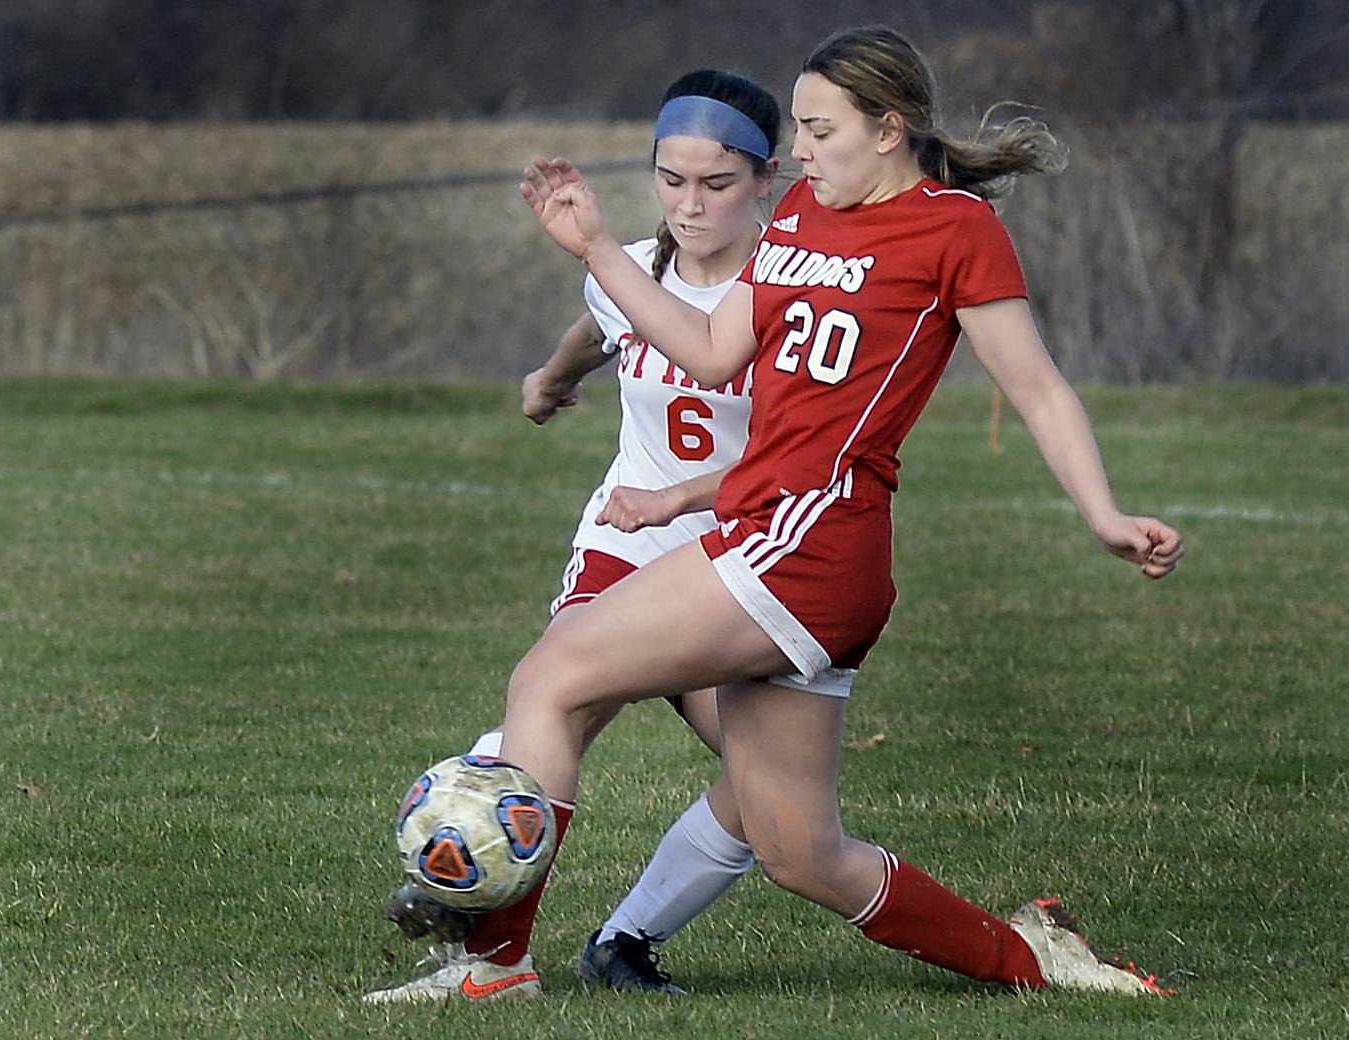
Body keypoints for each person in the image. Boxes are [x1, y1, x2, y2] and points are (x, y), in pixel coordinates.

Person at [393, 23, 1185, 1005]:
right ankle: (1030, 958)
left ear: (889, 127)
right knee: (801, 850)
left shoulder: (956, 229)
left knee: (551, 675)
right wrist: (596, 247)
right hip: (788, 542)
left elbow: (1038, 389)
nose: (799, 152)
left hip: (807, 542)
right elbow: (714, 352)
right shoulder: (807, 210)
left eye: (818, 128)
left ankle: (493, 963)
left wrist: (1103, 512)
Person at [365, 68, 781, 1004]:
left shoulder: (789, 287)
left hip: (748, 561)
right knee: (564, 706)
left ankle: (623, 942)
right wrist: (548, 381)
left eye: (717, 184)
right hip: (628, 545)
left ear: (769, 178)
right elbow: (598, 327)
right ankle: (488, 941)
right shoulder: (635, 266)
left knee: (773, 796)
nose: (690, 204)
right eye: (672, 180)